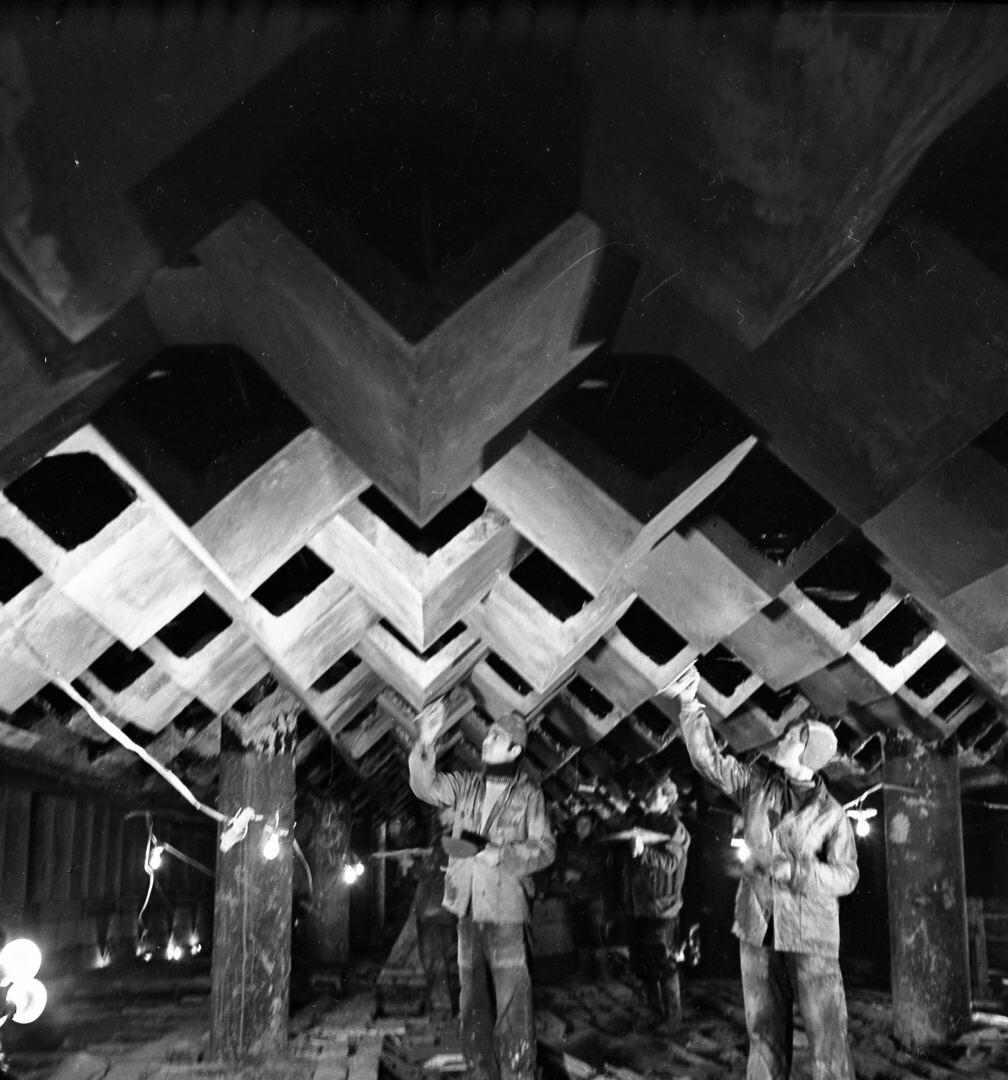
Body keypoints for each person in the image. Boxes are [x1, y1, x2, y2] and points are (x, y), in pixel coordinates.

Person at [664, 666, 858, 1080]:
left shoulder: (832, 814)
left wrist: (798, 870)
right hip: (758, 927)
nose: (781, 739)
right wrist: (689, 704)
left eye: (791, 738)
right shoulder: (757, 784)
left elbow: (847, 876)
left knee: (828, 1038)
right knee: (763, 1034)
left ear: (807, 757)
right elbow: (709, 762)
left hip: (811, 936)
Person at [409, 699, 556, 1080]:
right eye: (488, 734)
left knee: (512, 1003)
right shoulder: (467, 786)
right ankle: (480, 1072)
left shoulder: (528, 795)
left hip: (505, 910)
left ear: (515, 750)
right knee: (472, 1002)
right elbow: (426, 787)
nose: (486, 740)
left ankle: (518, 1074)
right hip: (466, 908)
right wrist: (425, 742)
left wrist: (501, 854)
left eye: (496, 737)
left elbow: (545, 849)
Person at [620, 778, 690, 1031]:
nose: (648, 797)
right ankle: (654, 1011)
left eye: (655, 794)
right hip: (639, 906)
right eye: (648, 793)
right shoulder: (643, 824)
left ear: (668, 799)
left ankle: (673, 1018)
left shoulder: (675, 828)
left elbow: (671, 863)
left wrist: (644, 852)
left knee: (663, 963)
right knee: (642, 963)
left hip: (662, 907)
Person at [415, 807, 459, 1020]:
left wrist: (420, 867)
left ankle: (443, 1006)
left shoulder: (457, 839)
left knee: (436, 958)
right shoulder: (439, 839)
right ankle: (440, 1005)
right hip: (433, 909)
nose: (444, 820)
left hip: (443, 909)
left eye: (448, 815)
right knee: (432, 958)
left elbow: (444, 869)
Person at [562, 811, 611, 978]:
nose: (582, 827)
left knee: (598, 936)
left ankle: (604, 973)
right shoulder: (571, 845)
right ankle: (584, 972)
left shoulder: (598, 846)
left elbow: (602, 872)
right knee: (580, 936)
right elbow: (563, 865)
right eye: (579, 824)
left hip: (593, 897)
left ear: (592, 827)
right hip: (575, 896)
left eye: (586, 824)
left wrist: (580, 876)